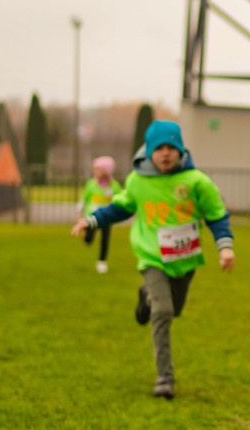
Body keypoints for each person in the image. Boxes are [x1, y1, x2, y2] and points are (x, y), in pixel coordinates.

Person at [71, 121, 235, 399]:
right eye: (159, 148)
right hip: (152, 257)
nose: (166, 153)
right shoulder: (138, 181)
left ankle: (146, 296)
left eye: (172, 147)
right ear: (149, 151)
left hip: (186, 259)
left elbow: (216, 214)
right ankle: (164, 378)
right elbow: (119, 208)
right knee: (164, 313)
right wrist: (92, 220)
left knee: (175, 309)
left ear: (181, 149)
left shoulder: (197, 181)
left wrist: (225, 246)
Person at [77, 156, 123, 273]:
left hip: (107, 218)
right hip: (91, 217)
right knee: (89, 237)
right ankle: (87, 238)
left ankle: (102, 261)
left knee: (105, 239)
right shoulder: (91, 184)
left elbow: (119, 201)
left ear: (106, 171)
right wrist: (79, 214)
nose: (95, 172)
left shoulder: (114, 186)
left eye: (97, 170)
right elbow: (84, 199)